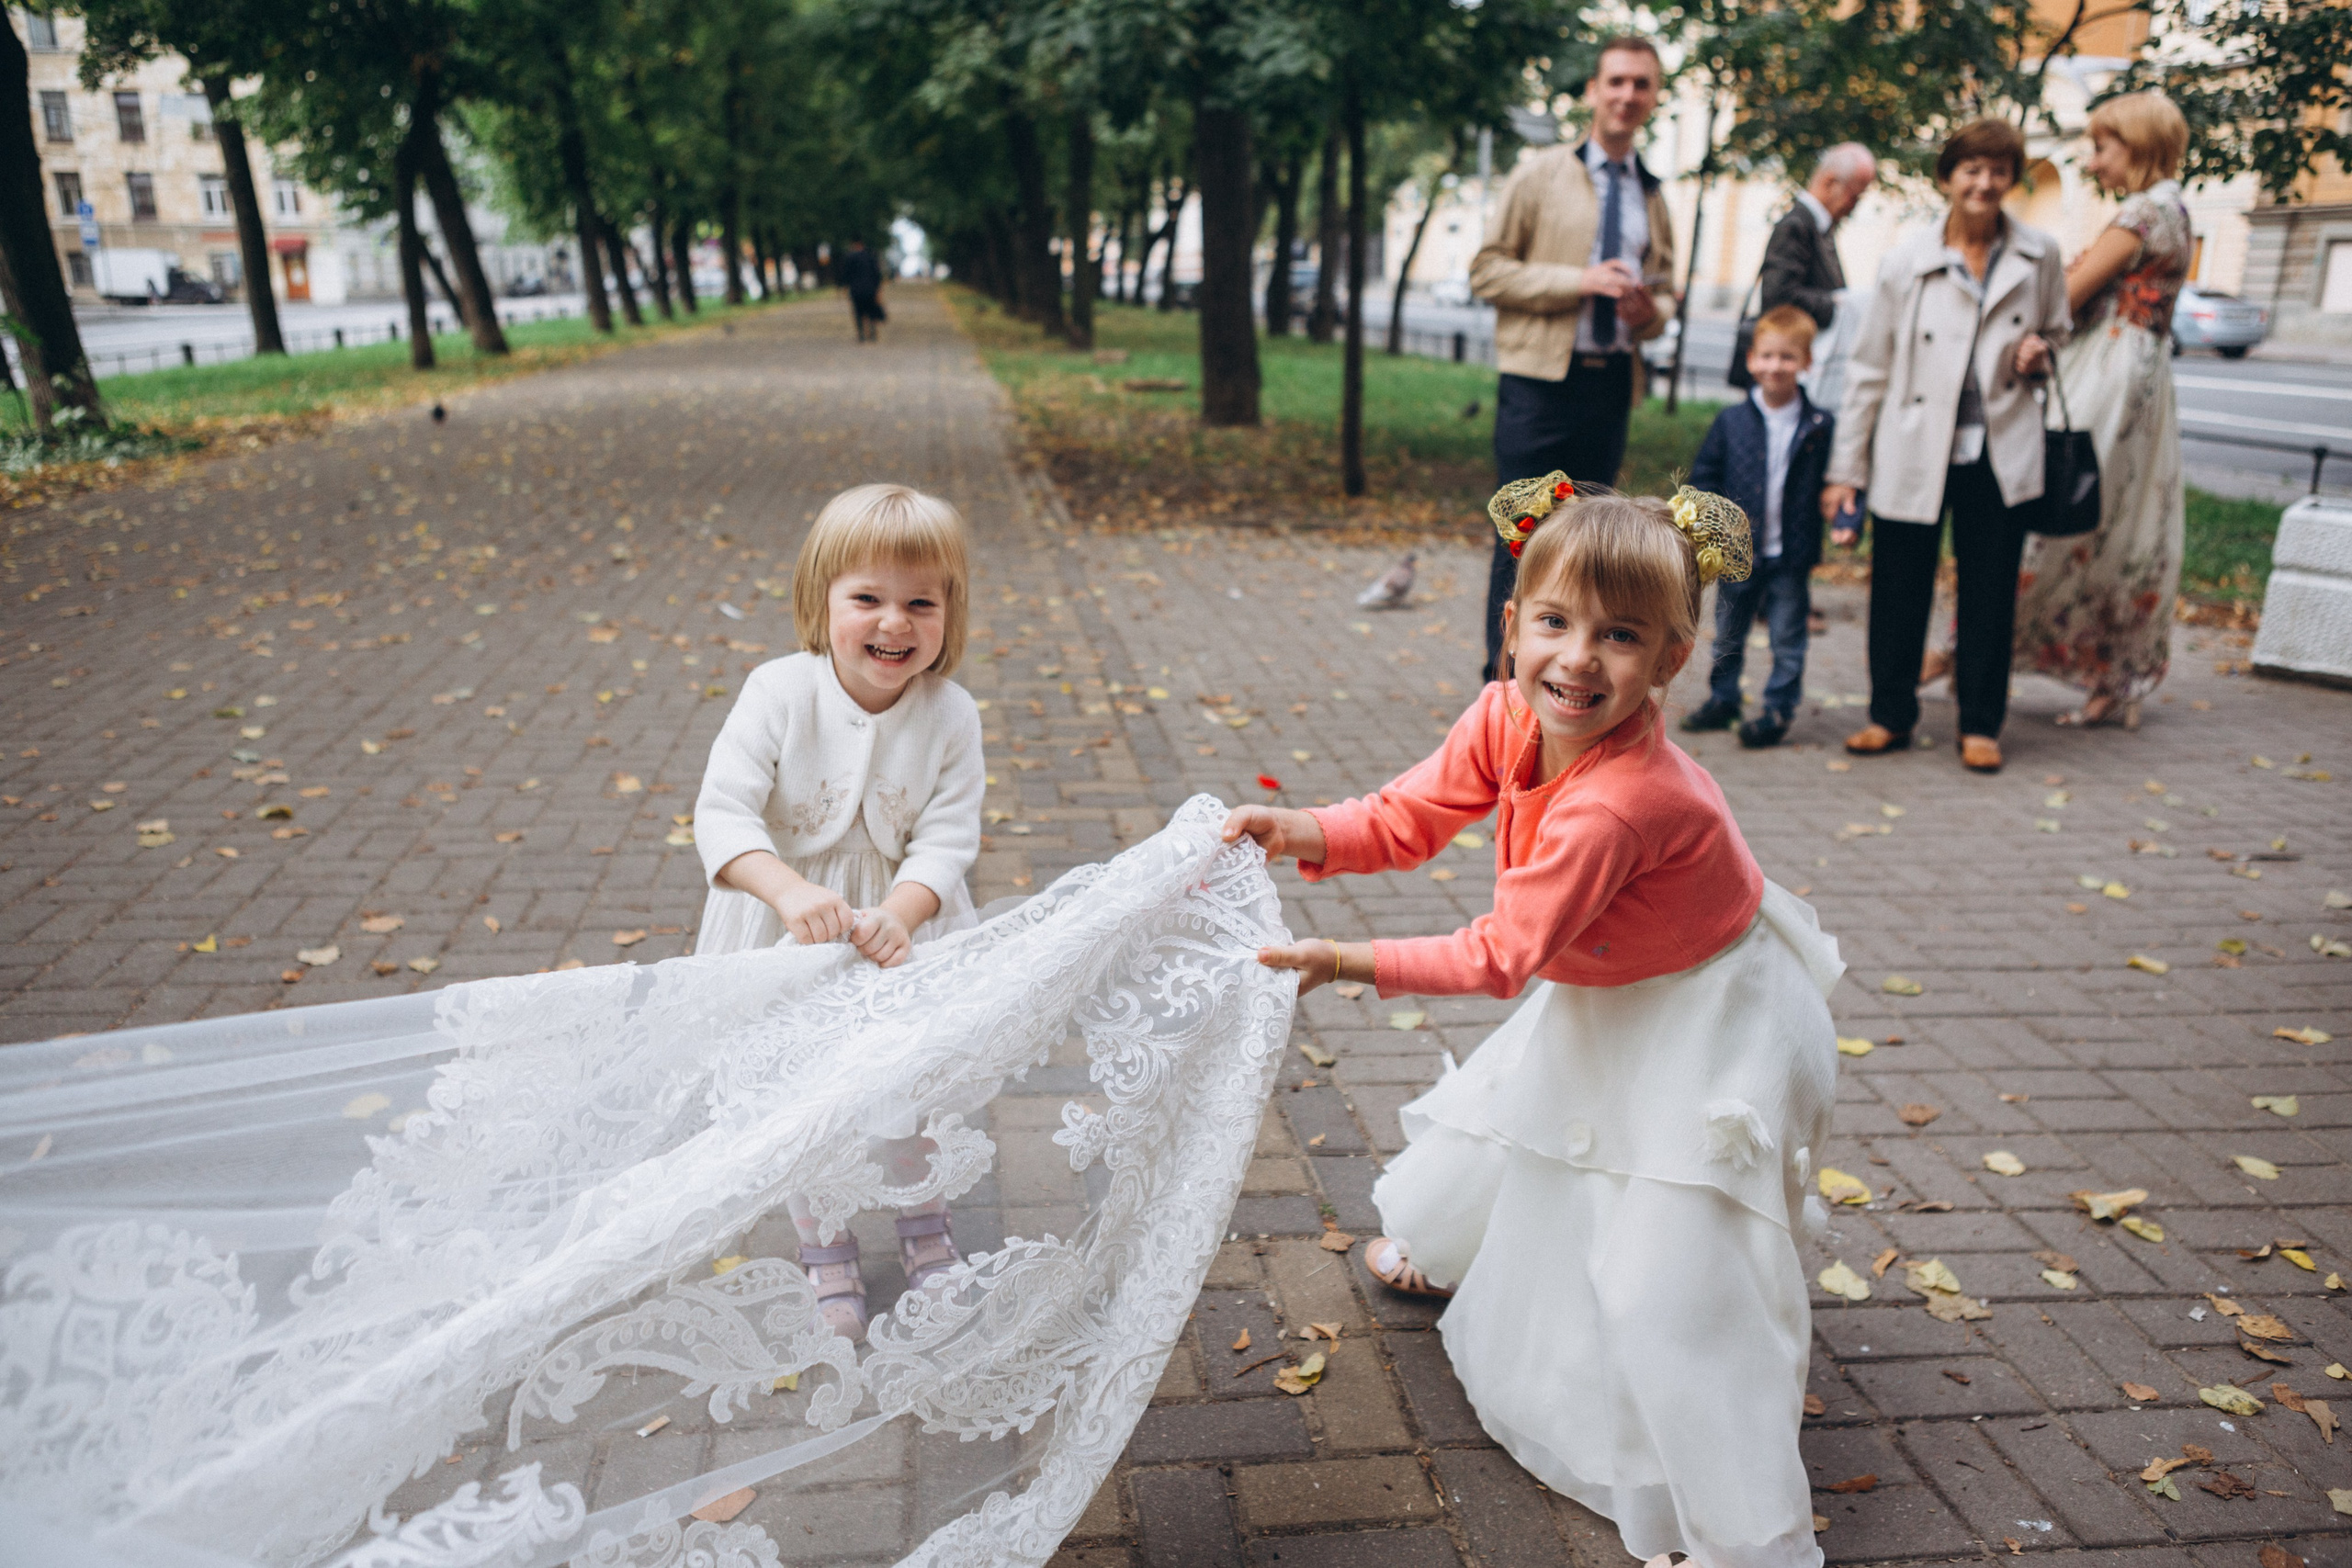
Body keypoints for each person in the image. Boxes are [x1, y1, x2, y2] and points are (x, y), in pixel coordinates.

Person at [1226, 480, 1842, 1568]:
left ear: (1670, 659)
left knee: (1668, 1250)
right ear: (1510, 626)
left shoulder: (1621, 801)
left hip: (1713, 1006)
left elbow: (1503, 954)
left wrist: (1345, 959)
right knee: (1537, 1111)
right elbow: (1410, 814)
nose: (1577, 660)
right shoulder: (1506, 714)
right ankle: (1465, 1244)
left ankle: (1728, 1522)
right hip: (1611, 968)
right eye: (1553, 623)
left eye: (1619, 637)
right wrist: (1305, 830)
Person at [693, 481, 985, 1336]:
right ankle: (825, 1243)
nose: (894, 624)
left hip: (903, 931)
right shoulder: (779, 692)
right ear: (822, 602)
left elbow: (947, 836)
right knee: (806, 1089)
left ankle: (924, 1225)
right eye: (868, 599)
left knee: (913, 1079)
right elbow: (721, 811)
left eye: (920, 603)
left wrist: (903, 908)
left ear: (947, 615)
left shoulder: (952, 713)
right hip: (786, 930)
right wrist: (785, 888)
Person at [1820, 118, 2069, 775]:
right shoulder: (1907, 260)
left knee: (1990, 594)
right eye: (1971, 169)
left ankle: (1981, 724)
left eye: (1997, 171)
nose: (1984, 183)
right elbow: (1868, 366)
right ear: (1948, 177)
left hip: (2001, 447)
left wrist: (2039, 354)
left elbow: (2058, 333)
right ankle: (1889, 715)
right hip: (1912, 444)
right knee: (1899, 588)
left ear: (2012, 179)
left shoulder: (2040, 254)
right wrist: (1846, 468)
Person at [1469, 34, 1678, 682]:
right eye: (1616, 81)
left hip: (1609, 385)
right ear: (1592, 91)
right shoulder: (1541, 174)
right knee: (1522, 540)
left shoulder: (1651, 193)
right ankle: (1502, 687)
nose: (1627, 95)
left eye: (1641, 84)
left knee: (1592, 547)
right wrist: (1579, 282)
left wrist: (1651, 315)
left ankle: (1568, 681)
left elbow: (1666, 291)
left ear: (1653, 97)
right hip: (1539, 387)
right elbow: (1488, 272)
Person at [2009, 92, 2193, 730]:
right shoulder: (2176, 208)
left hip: (2109, 375)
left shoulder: (2143, 211)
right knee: (2124, 523)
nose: (2093, 160)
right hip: (2144, 376)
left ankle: (1974, 648)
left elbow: (2068, 294)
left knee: (2059, 512)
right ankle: (2112, 675)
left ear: (2138, 145)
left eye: (2104, 146)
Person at [1681, 305, 1837, 749]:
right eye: (1767, 356)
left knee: (1788, 634)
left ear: (1807, 363)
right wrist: (1705, 524)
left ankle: (1778, 707)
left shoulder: (1819, 424)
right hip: (1738, 553)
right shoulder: (1731, 422)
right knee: (1730, 630)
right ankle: (1723, 698)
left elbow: (1837, 482)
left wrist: (1847, 516)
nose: (1776, 366)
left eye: (1788, 357)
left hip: (1792, 551)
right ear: (1751, 360)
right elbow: (1704, 476)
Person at [1759, 143, 1875, 325]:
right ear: (1830, 182)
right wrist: (1840, 304)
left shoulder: (1816, 225)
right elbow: (1779, 298)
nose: (1853, 207)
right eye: (1853, 196)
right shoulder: (1796, 226)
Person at [841, 239, 887, 341]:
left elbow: (846, 274)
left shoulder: (850, 258)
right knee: (871, 310)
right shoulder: (870, 257)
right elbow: (877, 274)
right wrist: (878, 289)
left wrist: (845, 287)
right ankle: (873, 332)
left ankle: (861, 334)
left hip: (856, 290)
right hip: (870, 289)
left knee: (858, 312)